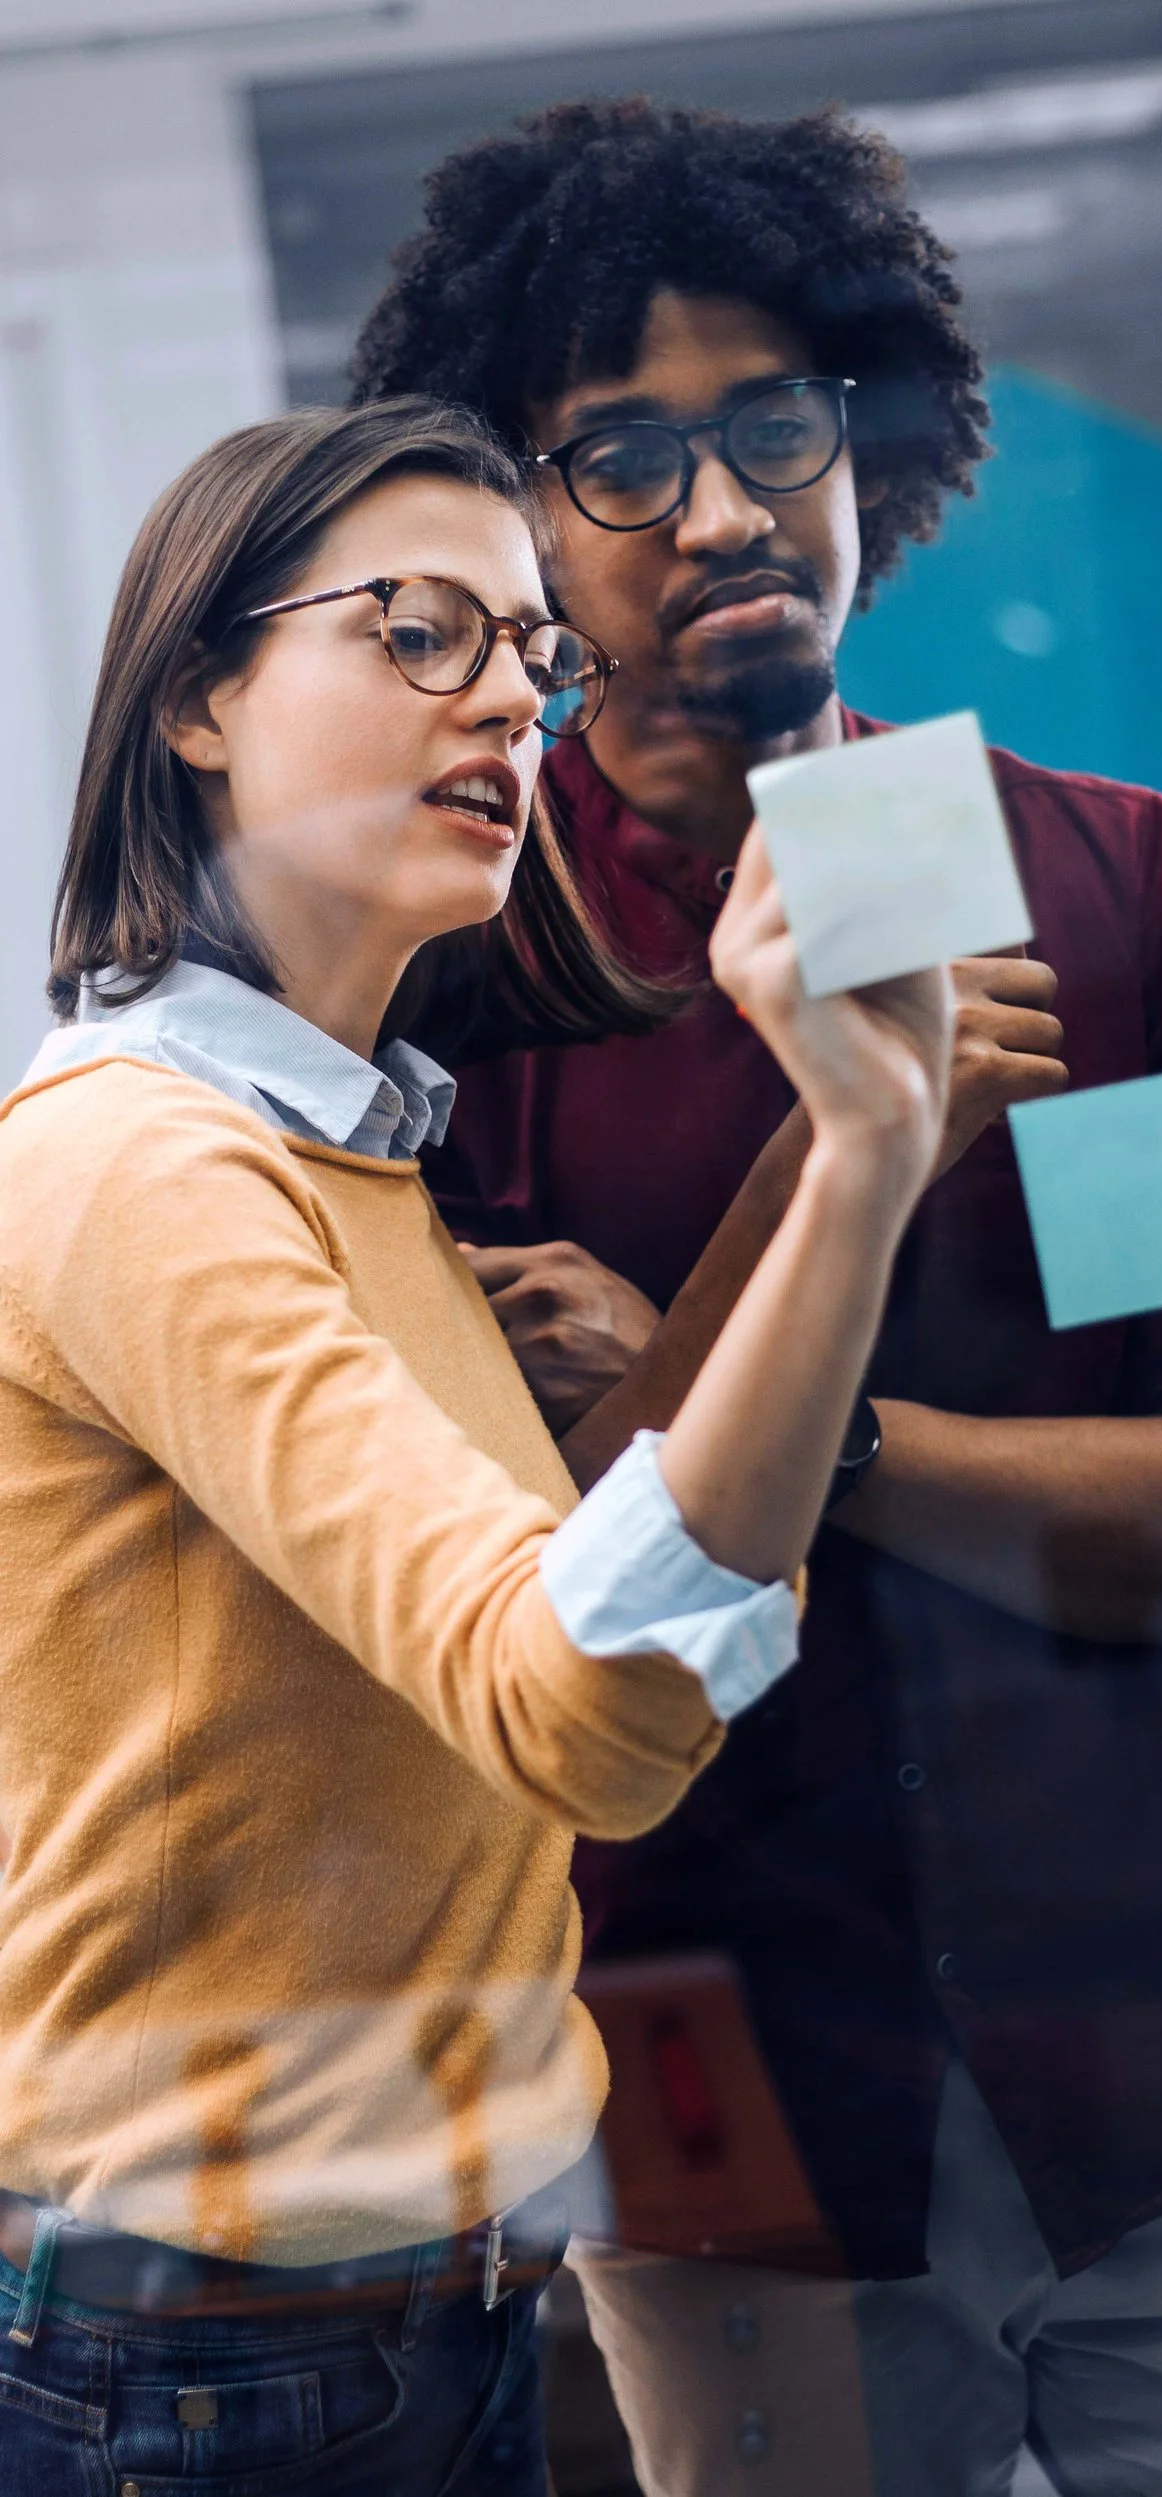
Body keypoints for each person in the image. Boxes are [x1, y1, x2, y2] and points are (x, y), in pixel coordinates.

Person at [348, 98, 1162, 2497]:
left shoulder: (1080, 894)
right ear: (517, 525)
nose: (724, 507)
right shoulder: (440, 972)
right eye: (619, 452)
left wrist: (806, 1452)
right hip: (723, 2140)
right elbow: (526, 1623)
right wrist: (826, 1172)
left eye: (775, 420)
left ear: (873, 429)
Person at [0, 396, 948, 2490]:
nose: (509, 698)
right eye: (420, 630)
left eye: (534, 655)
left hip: (387, 2307)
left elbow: (603, 1672)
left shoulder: (354, 1164)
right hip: (210, 2357)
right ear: (195, 699)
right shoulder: (144, 1162)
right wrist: (856, 1166)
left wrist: (850, 1171)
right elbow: (591, 1714)